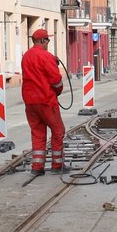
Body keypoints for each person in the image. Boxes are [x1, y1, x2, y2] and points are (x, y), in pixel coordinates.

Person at [21, 28, 68, 176]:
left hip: (30, 102)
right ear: (42, 41)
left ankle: (37, 167)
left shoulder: (26, 56)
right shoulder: (46, 56)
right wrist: (58, 92)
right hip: (46, 101)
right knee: (58, 131)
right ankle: (57, 165)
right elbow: (56, 80)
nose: (48, 43)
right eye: (47, 40)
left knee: (37, 132)